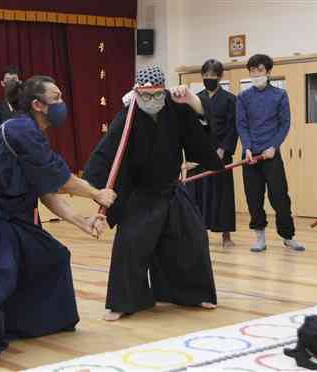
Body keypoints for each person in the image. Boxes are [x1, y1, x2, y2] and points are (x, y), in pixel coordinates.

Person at [0, 75, 116, 361]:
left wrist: (79, 221)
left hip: (10, 216)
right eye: (56, 98)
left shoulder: (33, 133)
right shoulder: (19, 129)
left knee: (52, 256)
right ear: (38, 104)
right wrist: (97, 194)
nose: (62, 104)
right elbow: (60, 179)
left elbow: (43, 188)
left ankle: (30, 324)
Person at [83, 65, 224, 321]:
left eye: (156, 95)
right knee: (131, 245)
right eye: (145, 96)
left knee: (192, 240)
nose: (151, 101)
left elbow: (201, 133)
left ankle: (194, 293)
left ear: (164, 91)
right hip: (141, 195)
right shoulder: (127, 117)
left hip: (171, 190)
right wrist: (97, 189)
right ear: (136, 92)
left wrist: (194, 103)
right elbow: (105, 154)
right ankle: (125, 302)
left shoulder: (176, 109)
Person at [236, 54, 305, 252]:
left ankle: (288, 236)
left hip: (271, 155)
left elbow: (284, 124)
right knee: (253, 198)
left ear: (267, 72)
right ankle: (259, 238)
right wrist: (247, 148)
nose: (255, 74)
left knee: (280, 197)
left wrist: (273, 146)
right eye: (252, 71)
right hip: (250, 157)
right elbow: (241, 125)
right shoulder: (243, 97)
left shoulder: (280, 95)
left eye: (259, 70)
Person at [183, 59, 238, 247]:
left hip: (221, 154)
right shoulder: (195, 99)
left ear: (220, 77)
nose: (209, 78)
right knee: (195, 195)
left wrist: (223, 149)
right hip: (199, 154)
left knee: (221, 195)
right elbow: (189, 129)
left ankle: (226, 235)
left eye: (213, 76)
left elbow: (233, 127)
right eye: (206, 76)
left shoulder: (231, 99)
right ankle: (196, 234)